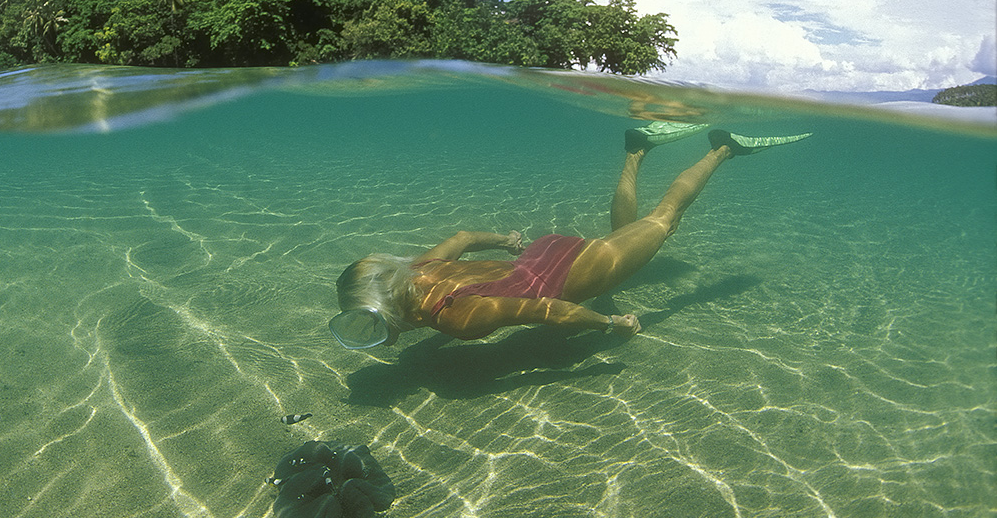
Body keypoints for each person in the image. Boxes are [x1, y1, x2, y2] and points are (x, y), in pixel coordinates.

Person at [329, 124, 811, 350]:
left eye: (366, 322)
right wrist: (506, 239)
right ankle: (638, 148)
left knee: (665, 218)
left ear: (385, 303)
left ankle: (725, 148)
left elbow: (546, 312)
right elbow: (461, 236)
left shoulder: (455, 320)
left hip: (565, 279)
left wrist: (609, 324)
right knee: (622, 237)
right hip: (543, 253)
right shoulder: (420, 268)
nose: (368, 332)